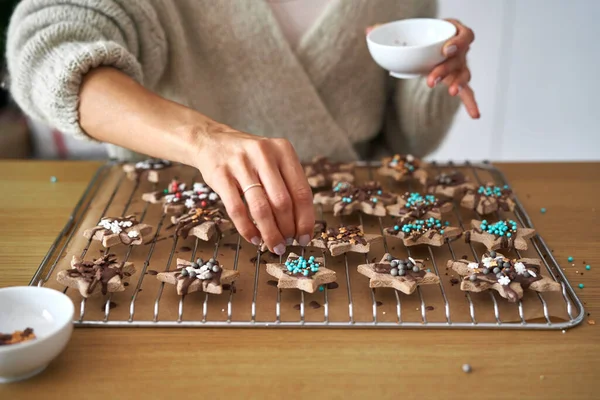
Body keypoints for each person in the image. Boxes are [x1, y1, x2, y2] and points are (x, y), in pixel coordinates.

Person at [5, 0, 479, 256]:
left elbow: (409, 142)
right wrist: (202, 139)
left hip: (350, 230)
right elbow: (46, 53)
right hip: (163, 229)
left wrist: (433, 69)